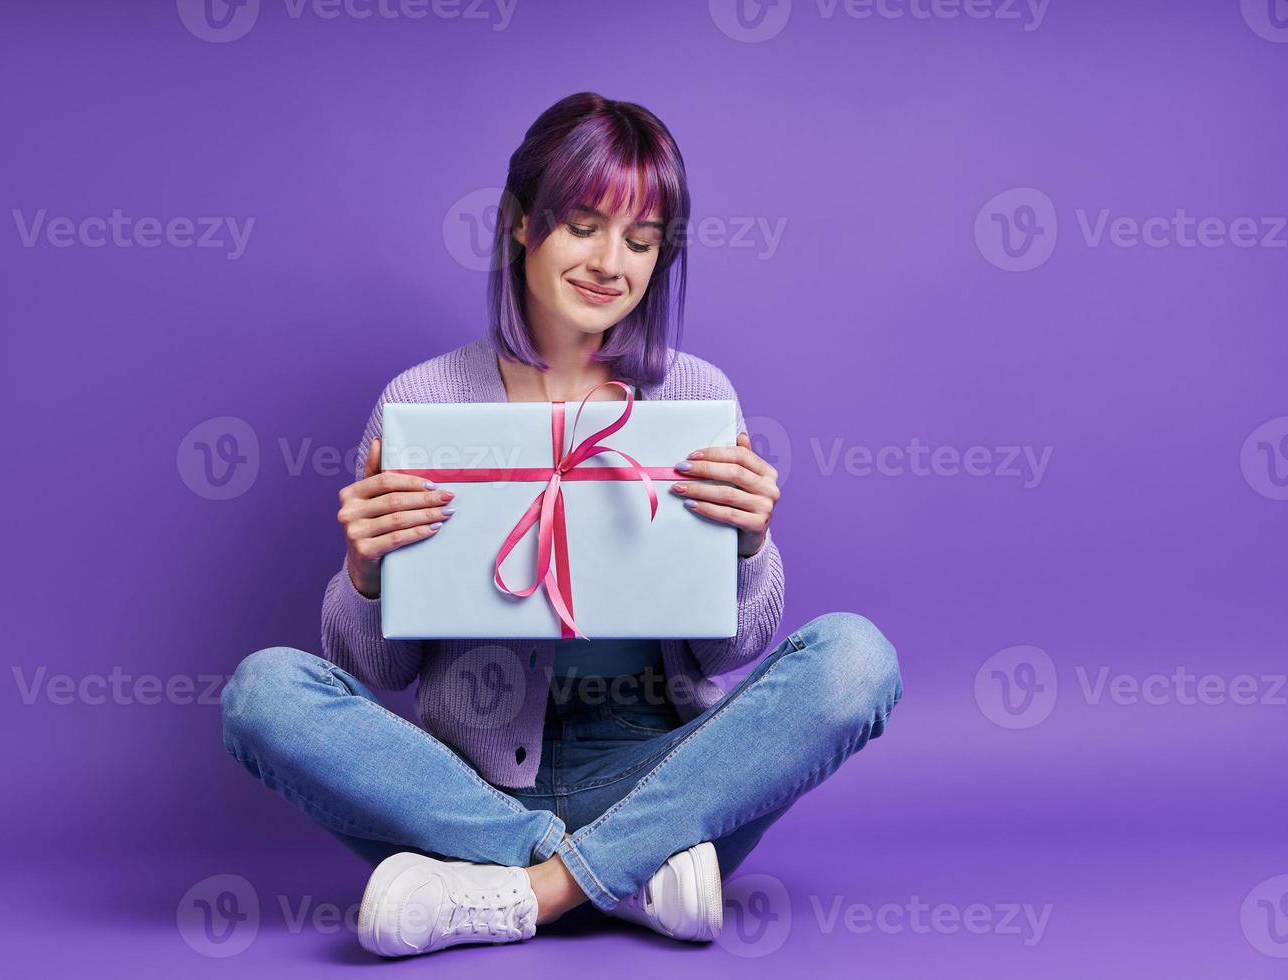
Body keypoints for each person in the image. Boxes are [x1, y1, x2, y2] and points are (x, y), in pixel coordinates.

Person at [221, 92, 902, 958]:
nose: (611, 263)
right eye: (583, 225)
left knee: (855, 657)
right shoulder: (422, 403)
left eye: (643, 241)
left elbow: (730, 651)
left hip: (666, 780)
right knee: (263, 692)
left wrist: (749, 545)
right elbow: (377, 671)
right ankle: (619, 879)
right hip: (463, 793)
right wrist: (363, 574)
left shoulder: (697, 397)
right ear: (518, 224)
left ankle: (522, 894)